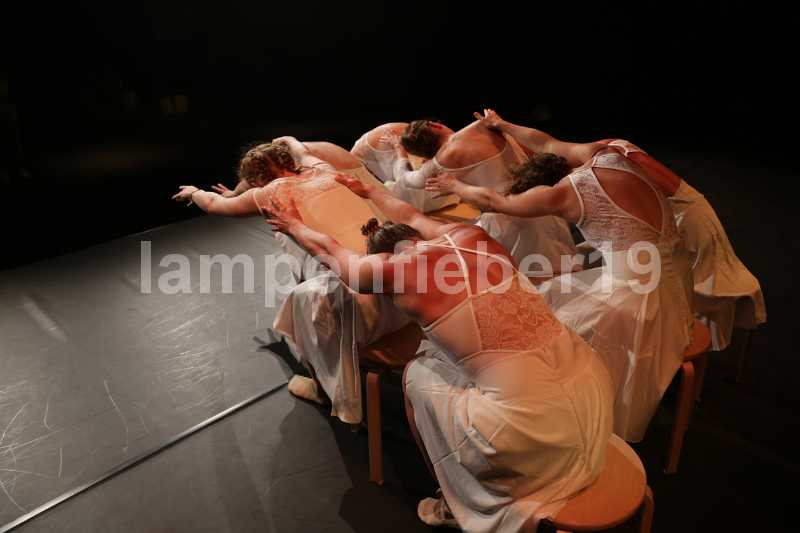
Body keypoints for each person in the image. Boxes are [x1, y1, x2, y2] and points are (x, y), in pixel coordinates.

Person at [268, 174, 613, 532]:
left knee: (416, 372)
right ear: (415, 238)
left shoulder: (392, 270)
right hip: (592, 389)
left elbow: (327, 249)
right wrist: (369, 190)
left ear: (382, 254)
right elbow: (412, 216)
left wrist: (292, 223)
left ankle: (452, 499)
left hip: (528, 426)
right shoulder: (471, 236)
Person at [427, 109, 694, 442]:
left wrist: (453, 184)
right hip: (677, 282)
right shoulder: (603, 154)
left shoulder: (564, 194)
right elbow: (545, 142)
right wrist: (502, 124)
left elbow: (496, 201)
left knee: (546, 333)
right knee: (552, 293)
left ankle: (559, 413)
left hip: (636, 299)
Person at [598, 139, 766, 350]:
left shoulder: (613, 158)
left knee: (696, 281)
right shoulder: (614, 151)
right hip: (681, 216)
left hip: (686, 219)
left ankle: (684, 340)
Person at [384, 118, 577, 268]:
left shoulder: (440, 162)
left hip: (506, 222)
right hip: (541, 204)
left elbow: (404, 178)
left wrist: (399, 150)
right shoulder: (483, 125)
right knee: (567, 269)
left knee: (540, 279)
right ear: (434, 125)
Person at [351, 121, 459, 212]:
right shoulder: (460, 138)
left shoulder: (438, 157)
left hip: (386, 140)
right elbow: (404, 179)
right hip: (377, 147)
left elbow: (405, 178)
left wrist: (398, 148)